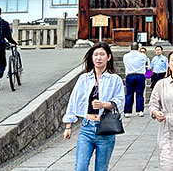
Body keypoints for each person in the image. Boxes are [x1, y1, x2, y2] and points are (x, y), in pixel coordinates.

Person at [63, 42, 124, 171]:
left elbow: (120, 102)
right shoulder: (84, 79)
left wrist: (104, 105)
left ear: (108, 57)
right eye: (95, 55)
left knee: (101, 168)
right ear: (92, 58)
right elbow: (73, 100)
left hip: (105, 129)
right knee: (80, 167)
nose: (98, 58)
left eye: (102, 54)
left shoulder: (115, 79)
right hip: (86, 127)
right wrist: (68, 125)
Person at [123, 42, 148, 117]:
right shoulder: (142, 55)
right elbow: (144, 62)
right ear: (138, 48)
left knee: (129, 94)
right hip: (140, 75)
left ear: (130, 48)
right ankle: (140, 110)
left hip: (130, 75)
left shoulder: (126, 56)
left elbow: (125, 63)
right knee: (140, 93)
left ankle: (127, 112)